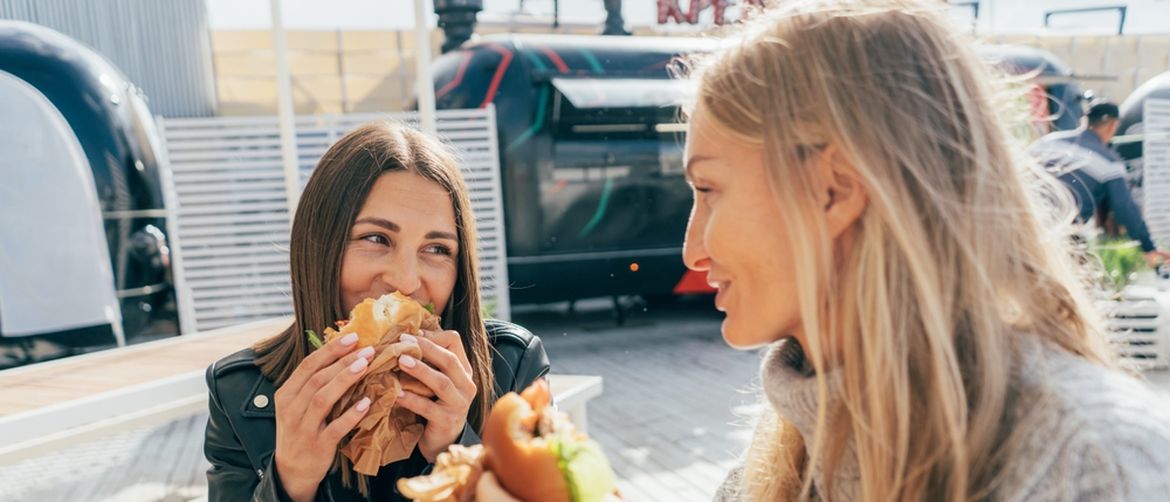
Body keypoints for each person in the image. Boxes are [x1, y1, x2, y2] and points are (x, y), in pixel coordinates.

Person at [671, 1, 1170, 501]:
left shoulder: (1092, 464)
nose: (693, 252)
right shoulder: (781, 452)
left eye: (708, 189)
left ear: (834, 190)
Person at [203, 121, 551, 502]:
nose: (405, 281)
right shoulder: (239, 395)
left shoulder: (511, 369)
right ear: (319, 248)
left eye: (437, 249)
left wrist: (457, 456)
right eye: (376, 238)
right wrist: (290, 482)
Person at [1031, 100, 1170, 267]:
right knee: (1079, 277)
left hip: (1023, 221)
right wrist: (1148, 248)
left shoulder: (1046, 142)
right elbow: (1125, 208)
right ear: (1112, 125)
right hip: (1060, 233)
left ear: (1084, 120)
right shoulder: (1109, 163)